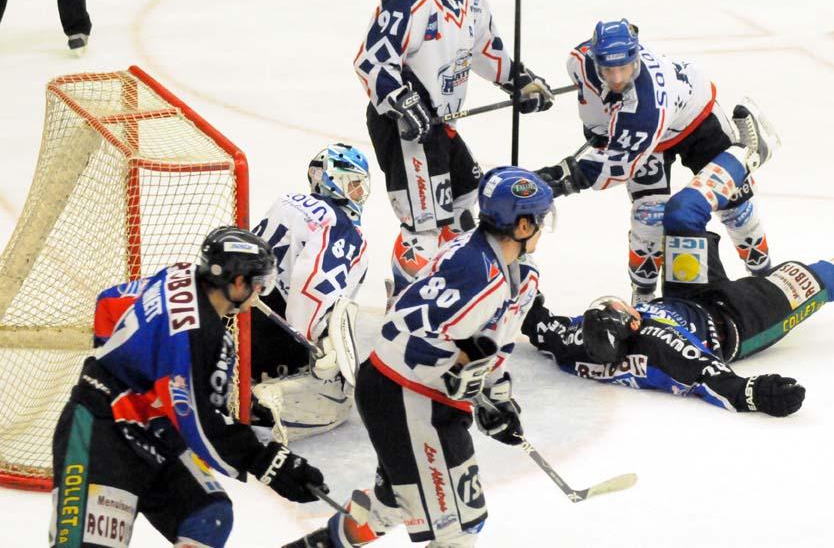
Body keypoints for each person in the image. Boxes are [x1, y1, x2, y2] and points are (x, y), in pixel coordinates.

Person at [524, 107, 834, 416]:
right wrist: (759, 394)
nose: (620, 304)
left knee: (681, 212)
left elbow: (541, 327)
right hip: (740, 322)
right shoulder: (664, 347)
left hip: (686, 295)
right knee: (810, 279)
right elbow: (713, 379)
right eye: (620, 309)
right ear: (634, 324)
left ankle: (747, 154)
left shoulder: (581, 342)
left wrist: (513, 283)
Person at [284, 167, 554, 548]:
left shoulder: (514, 271)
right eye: (540, 219)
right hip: (406, 396)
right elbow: (409, 335)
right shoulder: (477, 273)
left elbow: (491, 341)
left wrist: (496, 396)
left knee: (392, 505)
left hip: (409, 394)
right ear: (522, 226)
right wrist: (458, 374)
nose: (543, 227)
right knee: (459, 529)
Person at [49, 227, 327, 547]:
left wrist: (126, 365)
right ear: (238, 283)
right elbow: (201, 426)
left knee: (208, 515)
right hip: (101, 429)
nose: (259, 294)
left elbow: (110, 301)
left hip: (152, 428)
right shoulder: (197, 334)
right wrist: (269, 463)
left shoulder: (180, 274)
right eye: (258, 284)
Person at [355, 0, 554, 300]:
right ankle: (406, 305)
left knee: (464, 202)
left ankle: (453, 290)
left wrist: (519, 82)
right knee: (425, 224)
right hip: (403, 126)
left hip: (440, 125)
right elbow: (372, 61)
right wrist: (402, 99)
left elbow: (486, 49)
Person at [534, 19, 775, 304]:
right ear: (595, 60)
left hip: (696, 118)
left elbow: (618, 167)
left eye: (624, 68)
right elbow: (593, 105)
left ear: (635, 58)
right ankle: (643, 299)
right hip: (644, 137)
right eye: (608, 70)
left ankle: (765, 276)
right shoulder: (579, 61)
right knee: (648, 216)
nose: (617, 78)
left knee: (736, 205)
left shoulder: (646, 104)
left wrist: (567, 177)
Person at [248, 143, 371, 443]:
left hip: (242, 309)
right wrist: (317, 339)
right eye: (353, 184)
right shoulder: (342, 227)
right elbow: (314, 284)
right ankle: (269, 396)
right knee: (338, 396)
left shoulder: (287, 200)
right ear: (332, 181)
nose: (359, 193)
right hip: (276, 330)